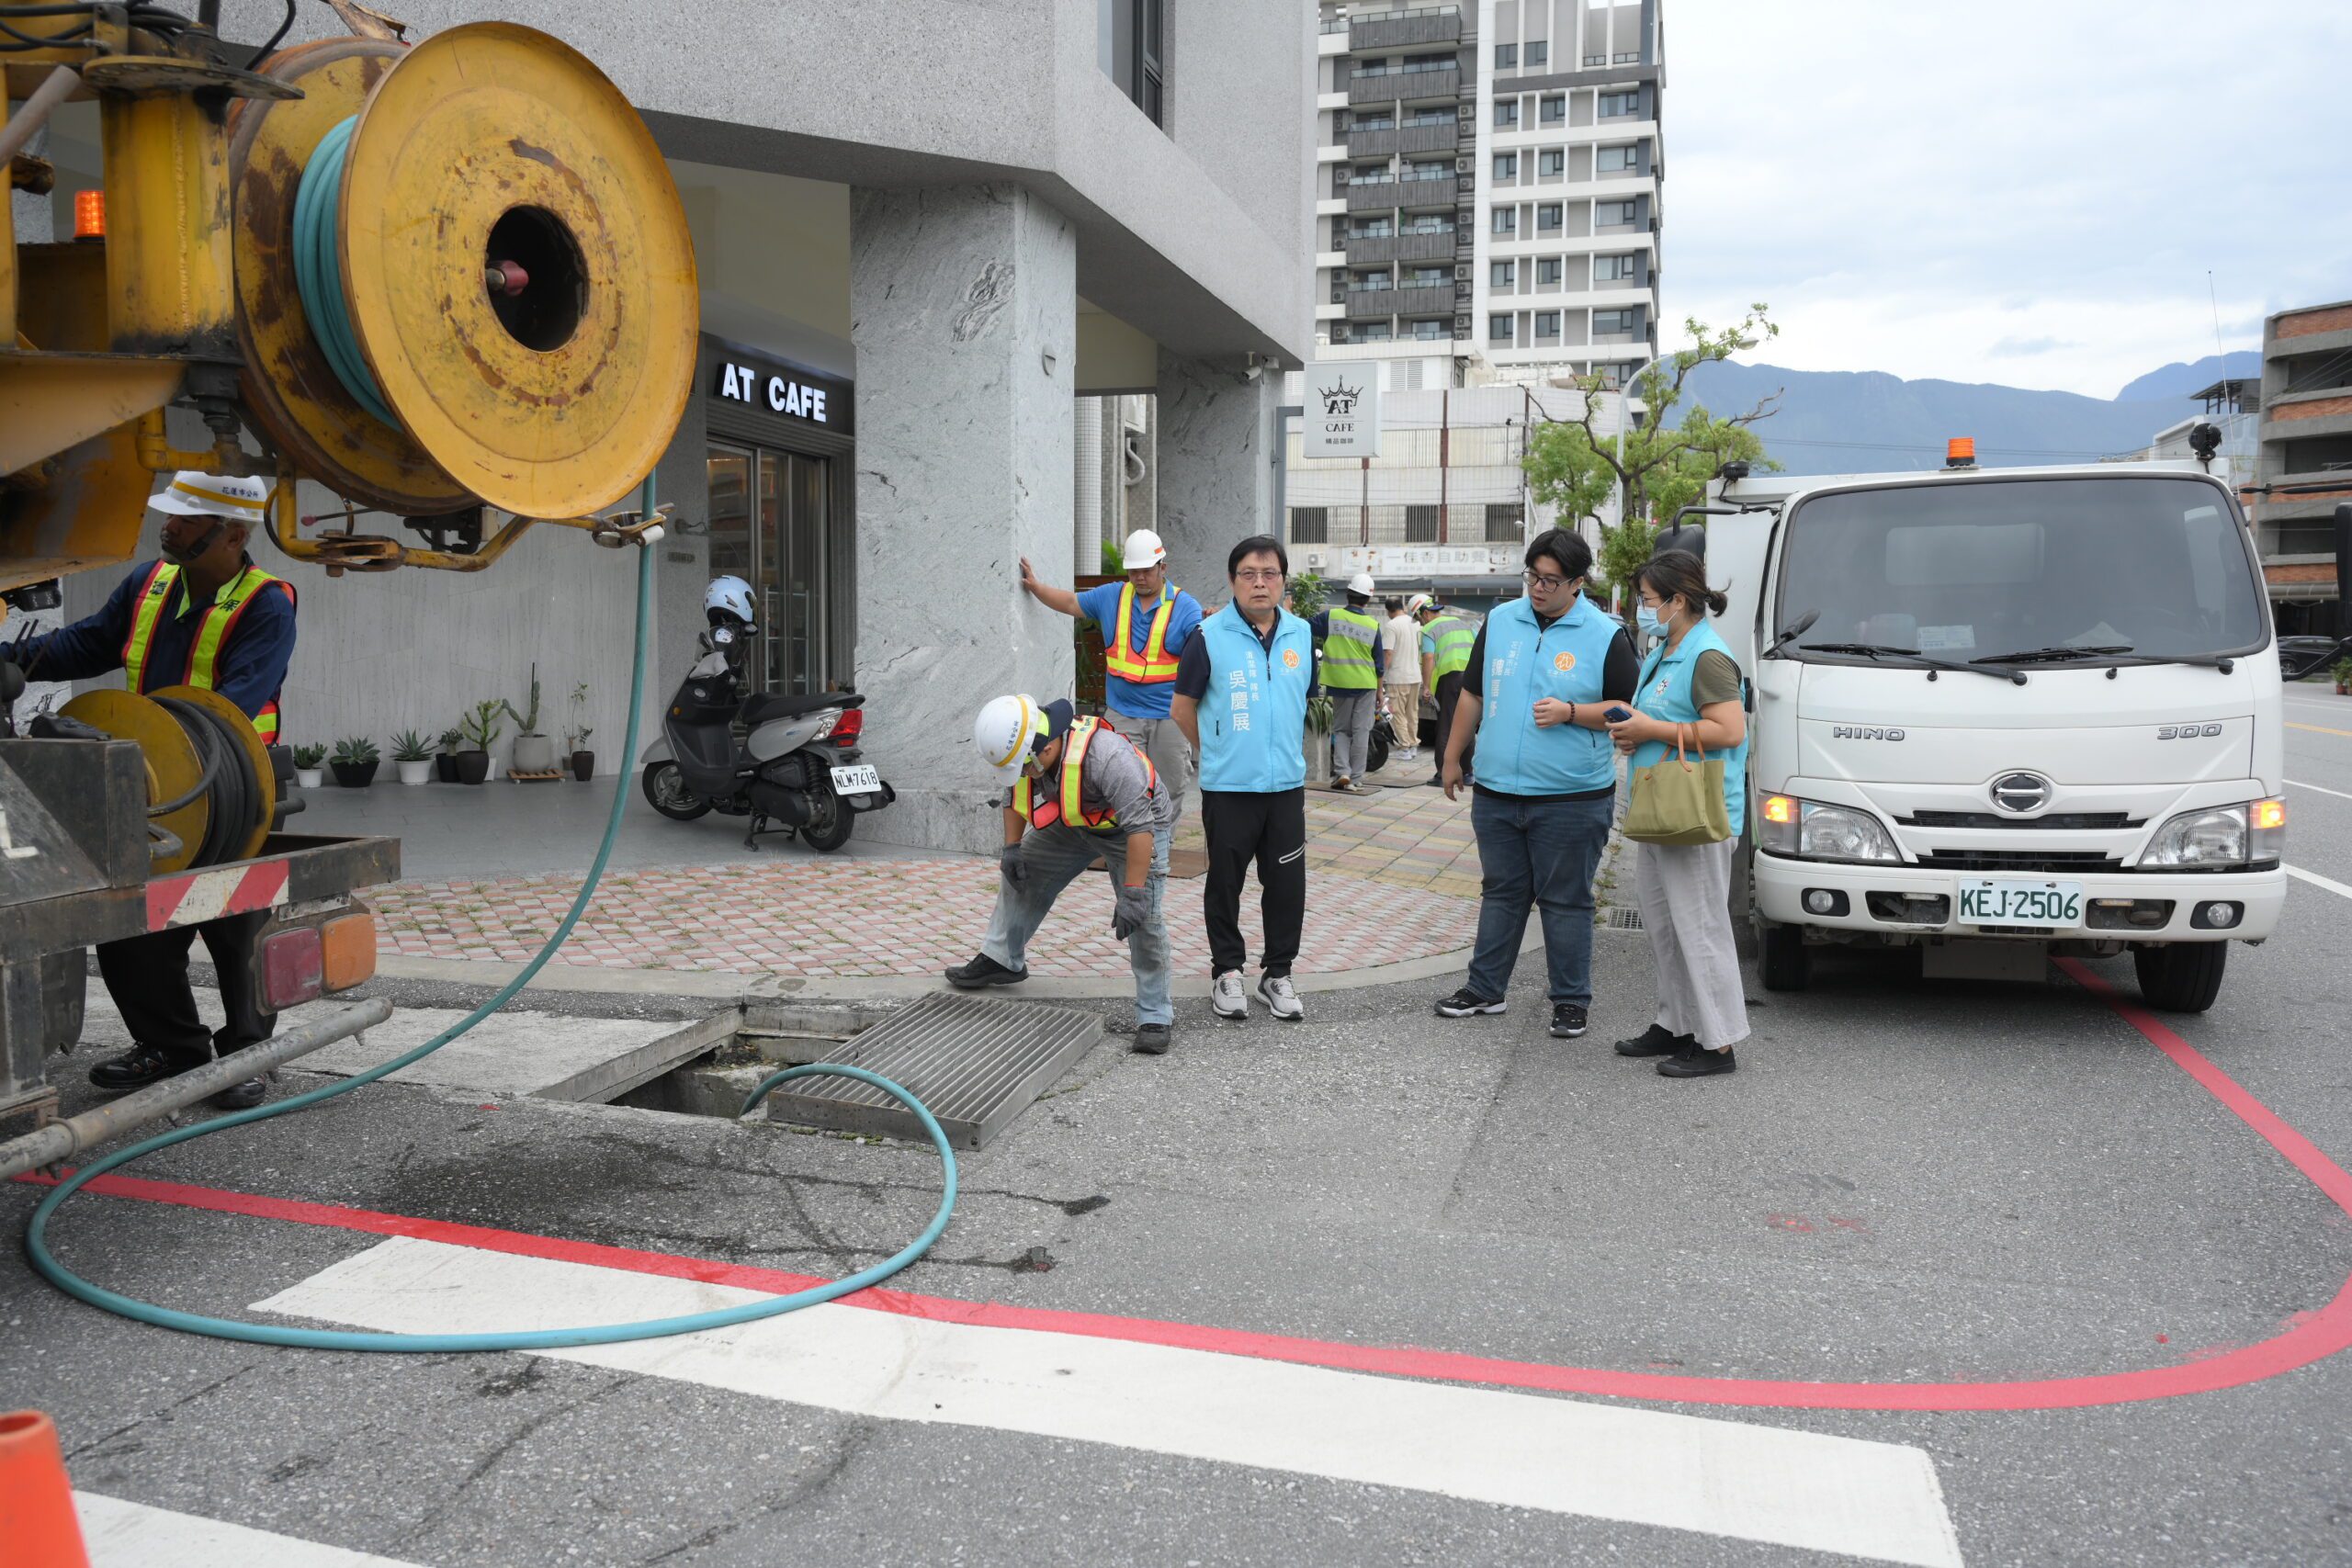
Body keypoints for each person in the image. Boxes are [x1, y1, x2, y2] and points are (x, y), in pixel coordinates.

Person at [10, 471, 294, 1110]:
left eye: (186, 521)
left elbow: (231, 706)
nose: (167, 527)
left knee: (237, 925)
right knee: (133, 925)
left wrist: (172, 759)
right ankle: (173, 1046)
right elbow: (86, 642)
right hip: (154, 786)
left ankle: (247, 1052)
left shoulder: (266, 604)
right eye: (170, 516)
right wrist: (14, 661)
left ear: (234, 534)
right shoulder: (148, 583)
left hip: (235, 792)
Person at [1432, 529, 1639, 1040]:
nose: (1539, 588)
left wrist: (1572, 713)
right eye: (1532, 576)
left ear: (1578, 583)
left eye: (1551, 580)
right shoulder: (1501, 621)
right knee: (1501, 892)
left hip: (1571, 797)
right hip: (1499, 791)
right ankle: (1485, 990)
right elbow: (1473, 695)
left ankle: (1570, 1001)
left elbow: (1627, 712)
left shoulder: (1604, 634)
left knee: (1566, 900)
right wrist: (1454, 756)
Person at [948, 694, 1179, 1053]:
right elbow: (1014, 795)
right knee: (1024, 869)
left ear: (1046, 748)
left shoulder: (1110, 759)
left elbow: (1141, 830)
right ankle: (1002, 960)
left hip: (1135, 831)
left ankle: (1155, 1014)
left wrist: (1132, 892)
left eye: (1024, 765)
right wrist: (1011, 848)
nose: (1022, 772)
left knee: (1144, 918)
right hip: (1077, 822)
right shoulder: (1028, 751)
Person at [1608, 549, 1750, 1077]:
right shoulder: (1664, 649)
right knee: (1667, 926)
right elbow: (1663, 717)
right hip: (1663, 807)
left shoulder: (1708, 656)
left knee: (1701, 928)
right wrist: (1634, 731)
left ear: (1678, 601)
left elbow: (1729, 731)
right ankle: (1676, 1024)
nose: (1643, 609)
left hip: (1699, 813)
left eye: (1647, 600)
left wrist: (1651, 731)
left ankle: (1718, 1044)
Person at [1170, 535, 1314, 1023]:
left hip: (1286, 788)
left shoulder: (1301, 634)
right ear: (1233, 581)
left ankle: (1277, 974)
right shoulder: (1208, 636)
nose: (1259, 583)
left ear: (1282, 581)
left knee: (1286, 884)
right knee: (1225, 883)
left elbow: (1300, 700)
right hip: (1229, 788)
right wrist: (1216, 750)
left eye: (1269, 573)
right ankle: (1227, 971)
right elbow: (1181, 706)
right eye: (1248, 574)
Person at [1019, 528, 1203, 817]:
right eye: (1133, 571)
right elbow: (1070, 603)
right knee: (1120, 782)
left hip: (1170, 717)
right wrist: (1036, 587)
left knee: (1171, 786)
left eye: (1146, 570)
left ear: (1162, 567)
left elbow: (1204, 649)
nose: (1140, 577)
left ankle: (1161, 848)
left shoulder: (1186, 607)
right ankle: (1129, 849)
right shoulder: (1112, 596)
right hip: (1123, 713)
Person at [1309, 571, 1385, 794]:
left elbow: (1304, 627)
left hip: (1340, 682)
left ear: (1348, 594)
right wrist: (1380, 691)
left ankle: (1342, 771)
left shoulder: (1330, 617)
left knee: (1342, 730)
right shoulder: (1373, 625)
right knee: (1362, 731)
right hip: (1366, 684)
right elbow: (1379, 663)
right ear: (1368, 599)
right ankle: (1357, 778)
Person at [1414, 593, 1476, 786]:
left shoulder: (1429, 629)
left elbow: (1429, 658)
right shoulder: (1462, 623)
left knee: (1445, 726)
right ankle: (1467, 773)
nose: (1420, 622)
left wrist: (1426, 687)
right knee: (1467, 725)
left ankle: (1442, 774)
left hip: (1449, 679)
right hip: (1471, 678)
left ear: (1424, 614)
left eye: (1418, 618)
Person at [1380, 595, 1422, 768]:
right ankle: (1413, 745)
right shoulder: (1416, 623)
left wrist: (1381, 675)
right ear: (1402, 606)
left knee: (1397, 713)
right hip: (1415, 675)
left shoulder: (1391, 625)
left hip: (1398, 676)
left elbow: (1388, 653)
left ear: (1389, 611)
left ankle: (1404, 748)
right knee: (1412, 712)